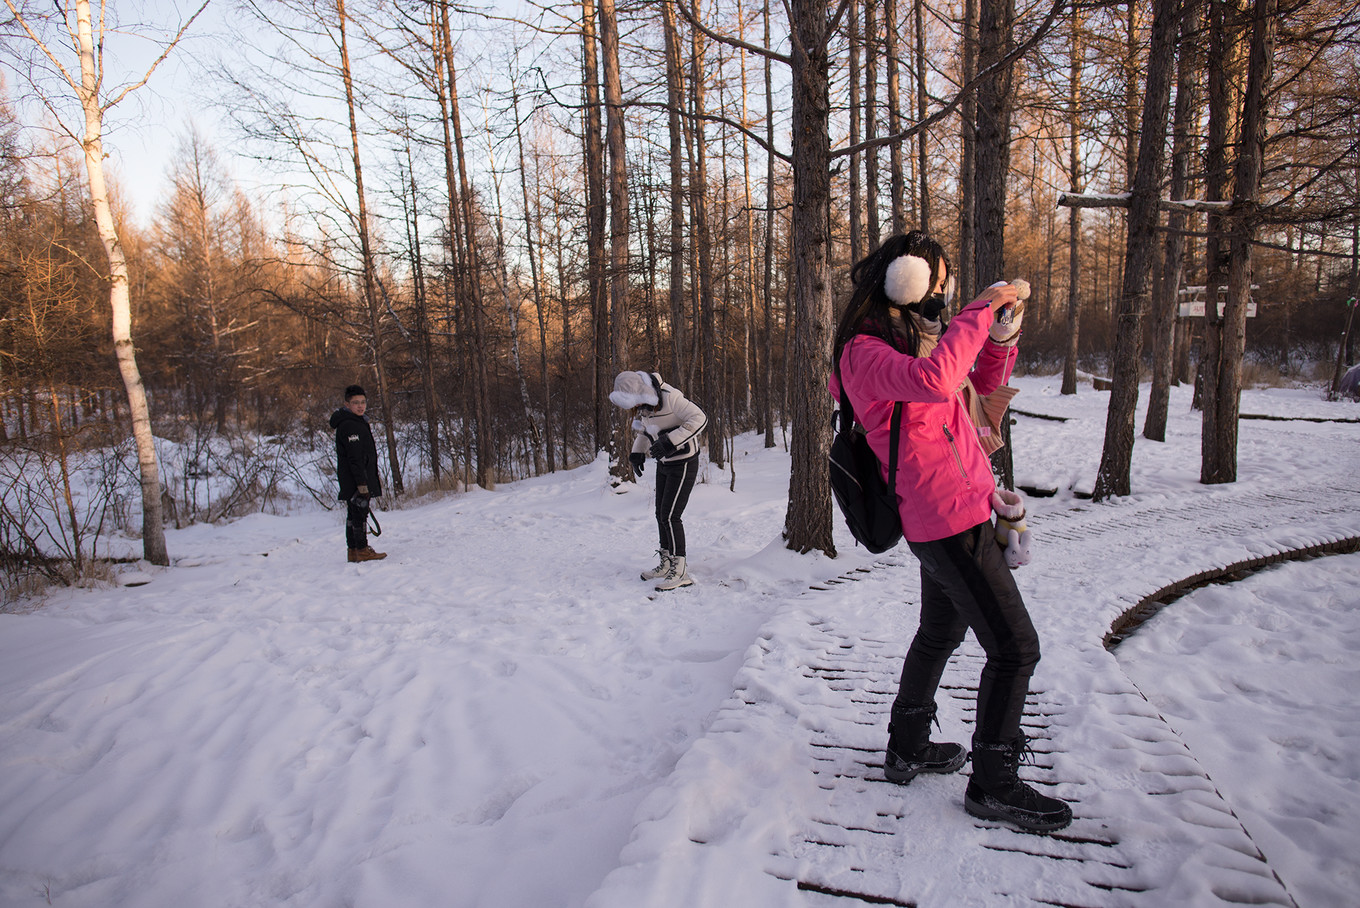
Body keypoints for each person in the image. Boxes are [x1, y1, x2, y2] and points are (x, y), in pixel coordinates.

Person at [829, 231, 1071, 833]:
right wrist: (977, 309)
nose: (942, 293)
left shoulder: (916, 336)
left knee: (939, 632)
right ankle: (994, 783)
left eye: (947, 285)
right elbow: (937, 381)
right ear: (902, 280)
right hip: (942, 517)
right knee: (1016, 650)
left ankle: (906, 747)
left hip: (959, 505)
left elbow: (977, 385)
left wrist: (1002, 332)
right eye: (935, 282)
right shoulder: (864, 351)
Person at [609, 371, 708, 591]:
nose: (638, 408)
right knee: (660, 514)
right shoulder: (645, 405)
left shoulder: (670, 397)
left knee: (671, 516)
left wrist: (671, 441)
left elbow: (700, 418)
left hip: (683, 461)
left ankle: (680, 570)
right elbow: (646, 430)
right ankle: (666, 563)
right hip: (664, 461)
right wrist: (637, 452)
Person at [329, 385, 387, 563]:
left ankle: (353, 550)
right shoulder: (350, 425)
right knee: (359, 515)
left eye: (363, 402)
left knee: (353, 514)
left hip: (355, 478)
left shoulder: (356, 422)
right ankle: (361, 549)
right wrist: (362, 484)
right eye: (356, 403)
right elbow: (355, 458)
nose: (360, 406)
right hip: (356, 479)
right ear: (347, 404)